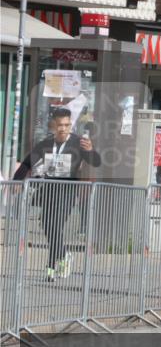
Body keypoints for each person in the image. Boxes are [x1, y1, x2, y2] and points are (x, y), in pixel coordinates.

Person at [14, 107, 102, 281]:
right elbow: (26, 164)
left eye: (67, 125)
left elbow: (96, 162)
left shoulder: (78, 143)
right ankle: (61, 258)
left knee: (54, 225)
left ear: (71, 125)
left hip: (67, 192)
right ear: (54, 125)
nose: (63, 128)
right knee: (48, 225)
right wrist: (16, 182)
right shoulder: (46, 143)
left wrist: (91, 150)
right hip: (48, 191)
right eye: (60, 125)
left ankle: (52, 265)